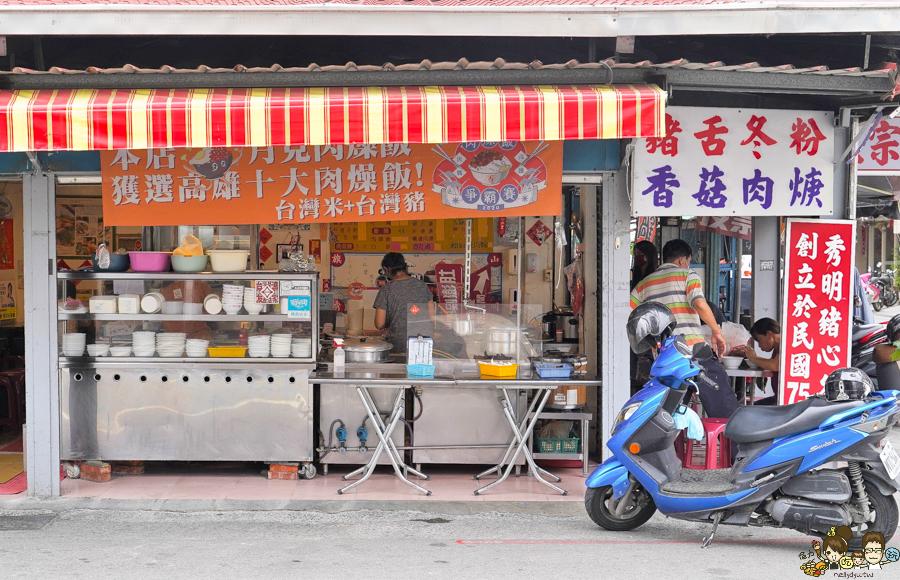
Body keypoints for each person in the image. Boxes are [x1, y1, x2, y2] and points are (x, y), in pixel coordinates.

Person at [631, 239, 736, 418]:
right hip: (692, 352)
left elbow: (632, 317)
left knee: (669, 414)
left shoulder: (644, 284)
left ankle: (672, 445)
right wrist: (716, 332)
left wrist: (650, 341)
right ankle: (735, 445)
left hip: (665, 359)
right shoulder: (688, 275)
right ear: (683, 260)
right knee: (724, 406)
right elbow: (700, 304)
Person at [373, 252, 434, 354]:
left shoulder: (386, 289)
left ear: (386, 269)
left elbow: (379, 324)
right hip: (424, 342)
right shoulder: (422, 286)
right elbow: (432, 317)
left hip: (399, 344)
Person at [733, 318, 781, 406]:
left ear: (769, 334)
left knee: (750, 412)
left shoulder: (786, 344)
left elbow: (776, 365)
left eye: (759, 340)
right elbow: (769, 365)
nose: (759, 346)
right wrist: (750, 357)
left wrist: (753, 357)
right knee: (747, 409)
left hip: (786, 402)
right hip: (777, 398)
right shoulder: (777, 348)